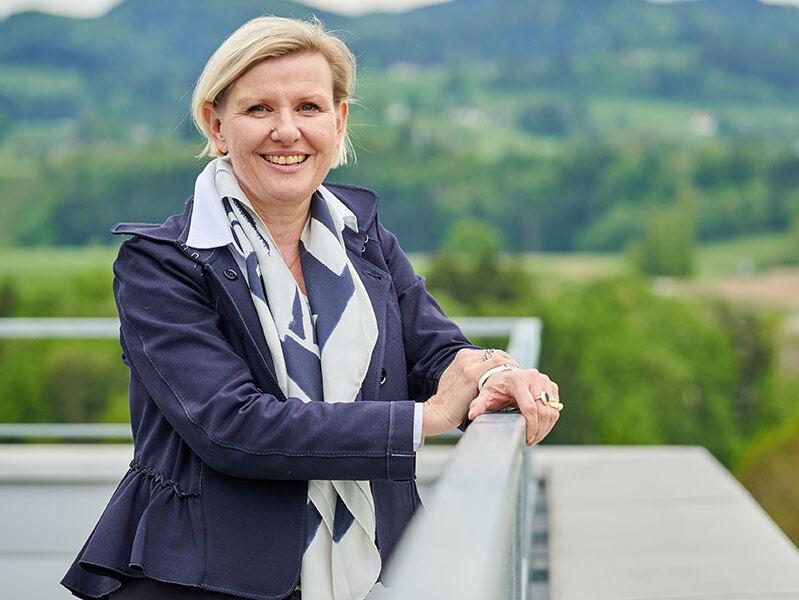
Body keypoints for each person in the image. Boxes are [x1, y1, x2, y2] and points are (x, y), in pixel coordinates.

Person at [61, 15, 561, 600]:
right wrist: (422, 420)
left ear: (339, 120)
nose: (286, 130)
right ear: (216, 125)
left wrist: (495, 376)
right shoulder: (161, 265)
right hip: (204, 581)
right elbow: (232, 426)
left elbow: (436, 351)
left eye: (308, 107)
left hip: (371, 570)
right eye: (258, 109)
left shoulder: (362, 237)